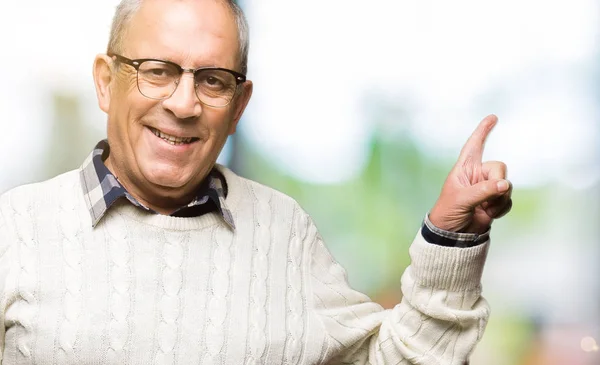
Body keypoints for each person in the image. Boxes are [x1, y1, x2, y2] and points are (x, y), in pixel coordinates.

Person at [0, 0, 512, 364]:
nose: (183, 104)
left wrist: (451, 238)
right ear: (106, 82)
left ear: (239, 105)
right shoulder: (14, 229)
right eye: (157, 71)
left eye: (212, 80)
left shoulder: (284, 233)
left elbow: (401, 359)